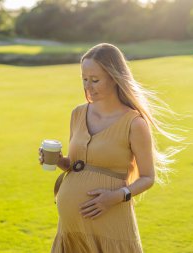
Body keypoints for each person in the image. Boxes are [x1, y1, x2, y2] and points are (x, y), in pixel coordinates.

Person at [38, 43, 183, 252]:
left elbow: (148, 177)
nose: (88, 86)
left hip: (111, 226)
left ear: (115, 78)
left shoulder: (134, 123)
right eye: (84, 79)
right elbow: (76, 164)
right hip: (71, 231)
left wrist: (116, 197)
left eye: (95, 80)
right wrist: (60, 161)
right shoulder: (78, 114)